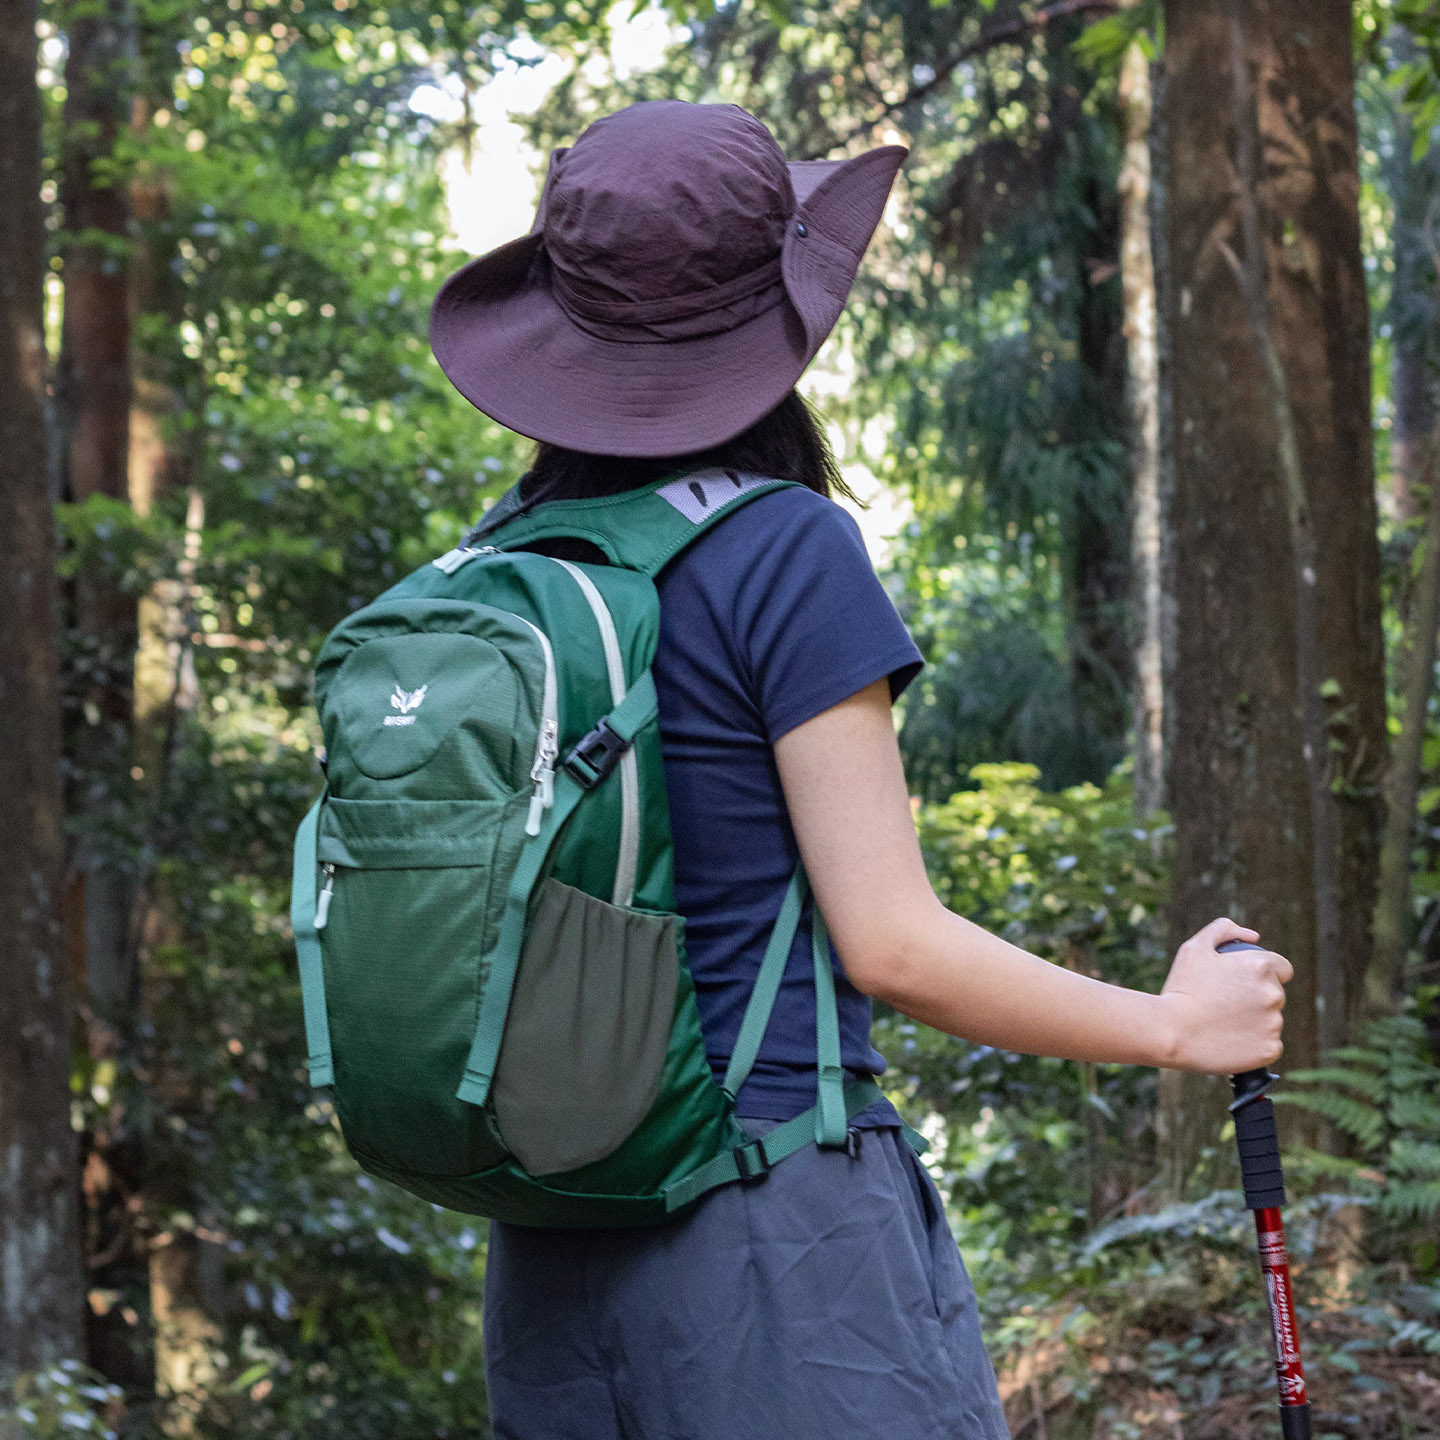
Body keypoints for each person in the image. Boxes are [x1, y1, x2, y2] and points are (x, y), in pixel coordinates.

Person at [428, 99, 1292, 1440]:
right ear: (775, 318)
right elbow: (892, 943)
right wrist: (1177, 1027)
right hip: (779, 1242)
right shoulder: (782, 549)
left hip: (551, 1248)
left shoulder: (498, 564)